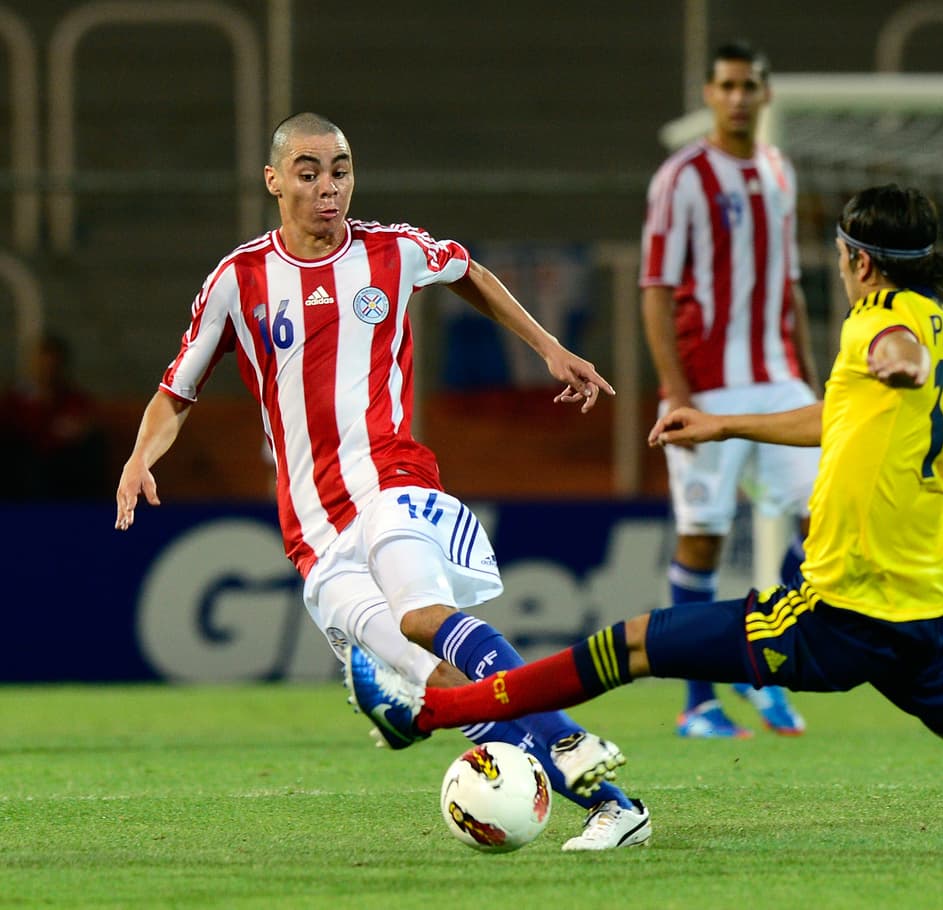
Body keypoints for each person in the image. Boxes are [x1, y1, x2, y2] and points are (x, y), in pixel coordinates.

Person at [348, 184, 943, 868]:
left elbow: (895, 362)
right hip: (923, 613)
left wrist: (894, 359)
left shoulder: (887, 328)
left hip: (837, 613)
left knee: (628, 646)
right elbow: (840, 416)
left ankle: (428, 711)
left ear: (859, 260)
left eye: (846, 252)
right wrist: (727, 422)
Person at [114, 112, 651, 851]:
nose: (327, 187)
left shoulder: (392, 251)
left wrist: (548, 346)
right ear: (274, 181)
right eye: (308, 172)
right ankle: (616, 807)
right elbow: (176, 392)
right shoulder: (238, 280)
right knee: (441, 687)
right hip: (316, 535)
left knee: (420, 615)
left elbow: (473, 275)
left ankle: (561, 738)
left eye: (340, 170)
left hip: (394, 483)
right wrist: (142, 456)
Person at [640, 40, 817, 738]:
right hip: (706, 388)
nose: (739, 97)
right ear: (709, 95)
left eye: (750, 85)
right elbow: (654, 291)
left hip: (778, 381)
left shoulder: (779, 170)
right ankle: (698, 704)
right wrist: (679, 393)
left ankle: (761, 664)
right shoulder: (680, 178)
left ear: (765, 94)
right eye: (727, 86)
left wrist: (811, 372)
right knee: (703, 542)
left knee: (828, 516)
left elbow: (791, 285)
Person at [0, 333, 110, 500]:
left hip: (62, 462)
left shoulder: (73, 398)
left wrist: (78, 430)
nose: (46, 370)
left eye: (52, 365)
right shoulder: (15, 399)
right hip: (26, 463)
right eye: (41, 364)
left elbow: (84, 424)